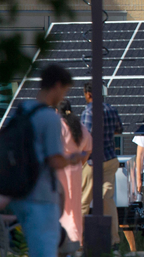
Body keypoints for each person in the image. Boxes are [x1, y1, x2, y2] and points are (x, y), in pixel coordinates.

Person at [4, 64, 75, 257]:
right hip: (41, 197)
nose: (64, 96)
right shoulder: (48, 117)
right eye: (65, 90)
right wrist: (73, 159)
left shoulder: (22, 110)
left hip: (20, 195)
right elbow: (54, 160)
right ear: (57, 86)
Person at [80, 80, 123, 243]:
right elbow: (119, 129)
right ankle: (114, 240)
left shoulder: (88, 112)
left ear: (88, 94)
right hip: (110, 159)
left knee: (83, 202)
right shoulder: (111, 109)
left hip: (92, 161)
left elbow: (87, 136)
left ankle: (79, 242)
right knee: (108, 200)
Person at [59, 104, 91, 255]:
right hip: (76, 168)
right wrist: (81, 161)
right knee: (75, 205)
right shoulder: (79, 126)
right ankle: (77, 238)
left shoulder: (58, 125)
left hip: (61, 167)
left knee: (63, 204)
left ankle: (64, 238)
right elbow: (89, 147)